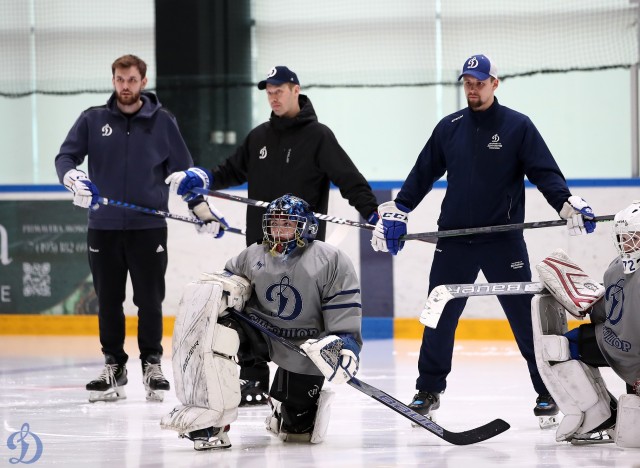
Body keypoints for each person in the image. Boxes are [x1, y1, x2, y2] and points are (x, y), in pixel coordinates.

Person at [370, 54, 597, 428]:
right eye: (467, 83)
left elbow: (544, 171)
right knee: (438, 316)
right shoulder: (450, 127)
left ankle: (546, 390)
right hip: (455, 240)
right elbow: (423, 172)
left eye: (479, 82)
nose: (472, 89)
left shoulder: (517, 127)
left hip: (502, 239)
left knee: (526, 318)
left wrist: (565, 202)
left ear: (495, 83)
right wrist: (400, 209)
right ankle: (428, 390)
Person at [165, 65, 378, 406]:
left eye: (279, 89)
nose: (273, 96)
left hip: (304, 257)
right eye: (269, 91)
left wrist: (375, 215)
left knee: (300, 322)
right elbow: (229, 170)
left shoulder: (318, 136)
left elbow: (350, 180)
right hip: (261, 249)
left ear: (296, 90)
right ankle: (253, 377)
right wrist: (202, 177)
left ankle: (297, 378)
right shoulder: (259, 136)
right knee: (250, 311)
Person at [54, 54, 225, 403]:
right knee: (108, 301)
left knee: (149, 300)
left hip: (148, 228)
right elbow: (65, 157)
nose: (125, 86)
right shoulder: (92, 119)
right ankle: (113, 366)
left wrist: (202, 211)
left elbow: (184, 174)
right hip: (102, 227)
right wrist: (72, 178)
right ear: (113, 80)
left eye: (131, 80)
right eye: (119, 79)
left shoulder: (163, 122)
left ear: (143, 82)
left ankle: (152, 365)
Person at [161, 194, 362, 450]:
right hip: (260, 334)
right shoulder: (252, 254)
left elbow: (344, 313)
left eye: (287, 224)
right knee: (219, 333)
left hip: (304, 345)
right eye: (274, 223)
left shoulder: (331, 260)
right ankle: (212, 416)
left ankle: (284, 408)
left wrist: (344, 346)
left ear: (306, 227)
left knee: (297, 432)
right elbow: (227, 287)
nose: (278, 230)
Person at [532, 203, 640, 446]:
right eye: (623, 237)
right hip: (615, 342)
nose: (627, 244)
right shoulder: (616, 267)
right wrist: (582, 299)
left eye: (634, 237)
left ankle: (607, 416)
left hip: (631, 350)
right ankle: (601, 416)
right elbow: (606, 312)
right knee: (557, 347)